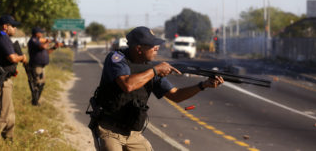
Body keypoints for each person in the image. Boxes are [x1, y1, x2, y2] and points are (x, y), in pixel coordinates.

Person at [88, 26, 224, 151]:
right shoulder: (117, 59)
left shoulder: (150, 69)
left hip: (133, 133)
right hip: (109, 129)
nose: (157, 48)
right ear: (139, 48)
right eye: (152, 45)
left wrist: (203, 85)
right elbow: (127, 85)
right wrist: (156, 70)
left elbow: (175, 95)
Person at [0, 15, 27, 141]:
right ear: (5, 26)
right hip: (0, 81)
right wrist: (22, 57)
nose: (15, 28)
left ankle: (8, 140)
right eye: (13, 26)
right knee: (1, 114)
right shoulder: (2, 37)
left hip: (1, 79)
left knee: (9, 114)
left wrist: (11, 69)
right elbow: (12, 58)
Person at [27, 27, 62, 106]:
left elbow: (46, 51)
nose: (42, 34)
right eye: (41, 33)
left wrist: (54, 47)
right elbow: (43, 47)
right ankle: (35, 101)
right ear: (36, 33)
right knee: (37, 84)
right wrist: (48, 41)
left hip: (41, 66)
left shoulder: (39, 42)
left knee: (41, 84)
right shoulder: (34, 40)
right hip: (36, 66)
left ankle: (36, 100)